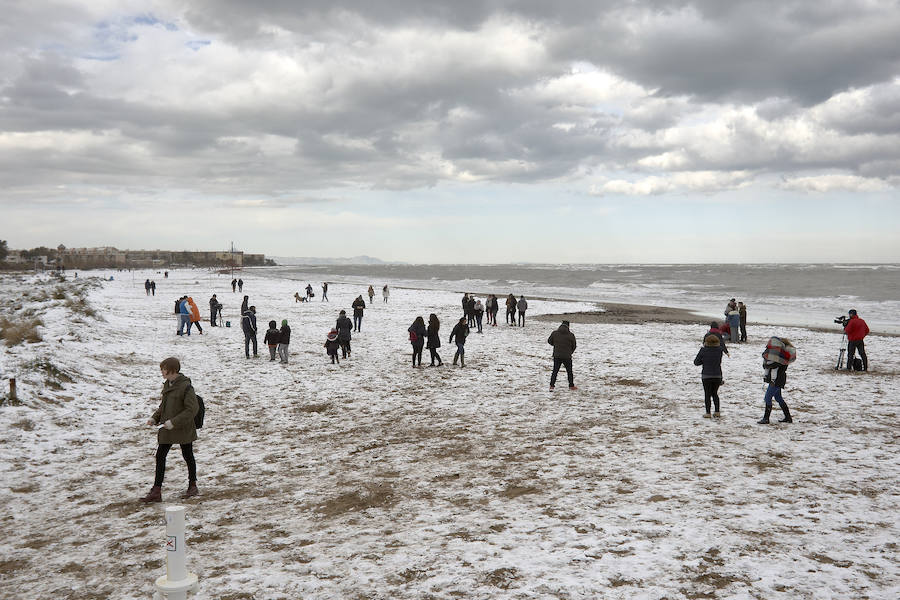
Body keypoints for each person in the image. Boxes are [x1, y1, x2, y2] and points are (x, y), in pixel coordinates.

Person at [141, 357, 199, 502]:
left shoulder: (186, 387)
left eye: (164, 369)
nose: (162, 371)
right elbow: (163, 406)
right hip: (167, 428)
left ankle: (193, 485)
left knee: (188, 455)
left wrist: (174, 422)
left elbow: (192, 409)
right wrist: (154, 418)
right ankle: (156, 491)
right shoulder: (167, 385)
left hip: (183, 428)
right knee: (160, 456)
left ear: (172, 370)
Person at [758, 336, 796, 424]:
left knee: (767, 397)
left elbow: (773, 365)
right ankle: (788, 417)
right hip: (780, 379)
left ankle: (766, 418)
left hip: (776, 380)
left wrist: (767, 364)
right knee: (778, 398)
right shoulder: (784, 356)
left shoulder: (780, 356)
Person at [694, 334, 725, 417]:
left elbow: (696, 362)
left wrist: (704, 361)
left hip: (706, 375)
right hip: (717, 375)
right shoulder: (720, 350)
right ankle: (717, 411)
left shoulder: (703, 350)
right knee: (715, 393)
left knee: (707, 394)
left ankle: (708, 413)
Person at [548, 320, 577, 390]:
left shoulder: (554, 333)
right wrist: (570, 352)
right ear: (568, 326)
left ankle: (552, 385)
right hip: (567, 356)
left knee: (555, 371)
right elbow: (574, 346)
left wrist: (555, 345)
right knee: (569, 371)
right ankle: (571, 385)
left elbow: (549, 341)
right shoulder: (571, 335)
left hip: (557, 355)